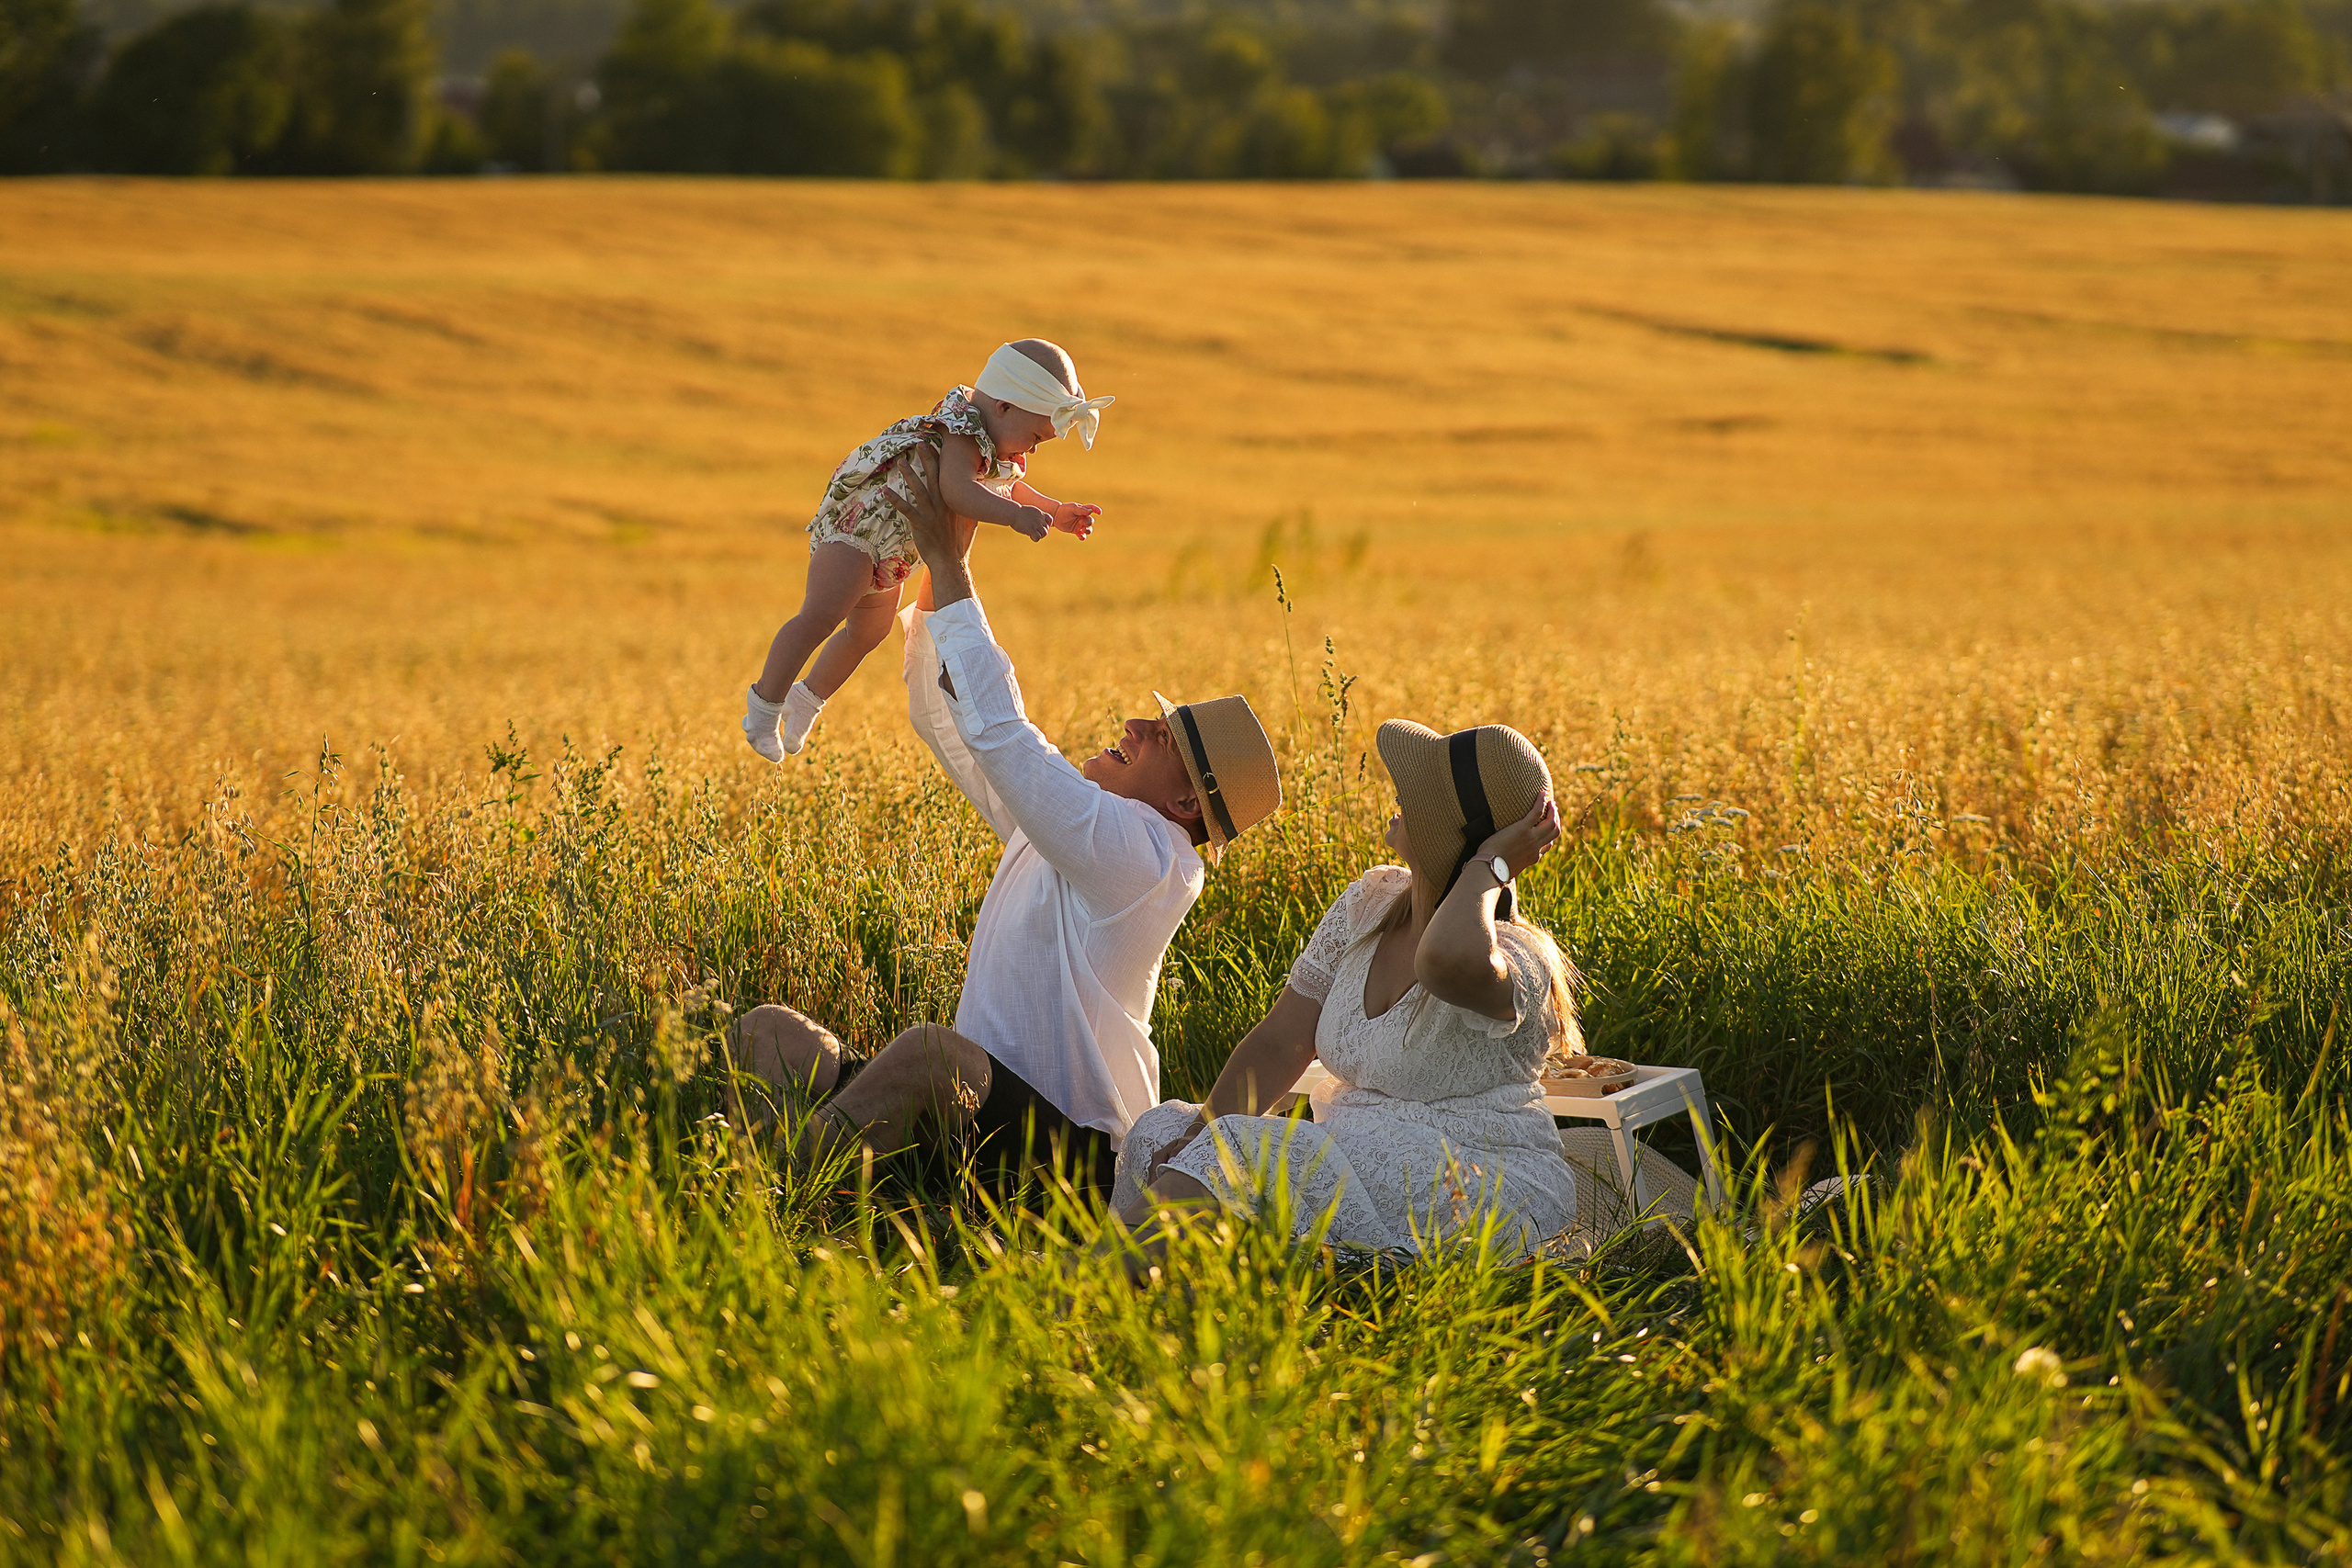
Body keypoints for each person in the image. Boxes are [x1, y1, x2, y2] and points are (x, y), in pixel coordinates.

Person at [728, 442, 1283, 1200]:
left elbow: (1003, 734)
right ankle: (846, 1202)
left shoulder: (1151, 860)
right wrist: (943, 561)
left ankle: (762, 1200)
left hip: (1073, 1165)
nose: (1133, 724)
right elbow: (950, 722)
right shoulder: (1071, 828)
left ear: (1186, 805)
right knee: (768, 1034)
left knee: (934, 1054)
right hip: (975, 1126)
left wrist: (950, 568)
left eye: (1162, 736)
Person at [1108, 719, 1581, 1262]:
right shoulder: (1370, 904)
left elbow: (1442, 960)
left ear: (1452, 828)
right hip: (1360, 1152)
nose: (1399, 794)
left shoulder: (1516, 958)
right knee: (1162, 1132)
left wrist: (1488, 868)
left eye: (1421, 792)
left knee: (1235, 1149)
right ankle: (1135, 1285)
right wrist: (1200, 1133)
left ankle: (1085, 1284)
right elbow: (1282, 1040)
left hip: (1473, 1177)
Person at [742, 339, 1114, 761]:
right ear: (1004, 407)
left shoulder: (991, 445)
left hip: (891, 554)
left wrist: (1056, 510)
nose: (1031, 450)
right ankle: (763, 707)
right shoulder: (961, 432)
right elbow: (957, 491)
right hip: (859, 533)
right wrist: (1013, 517)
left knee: (869, 631)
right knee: (819, 617)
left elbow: (1008, 486)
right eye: (1034, 437)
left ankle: (804, 700)